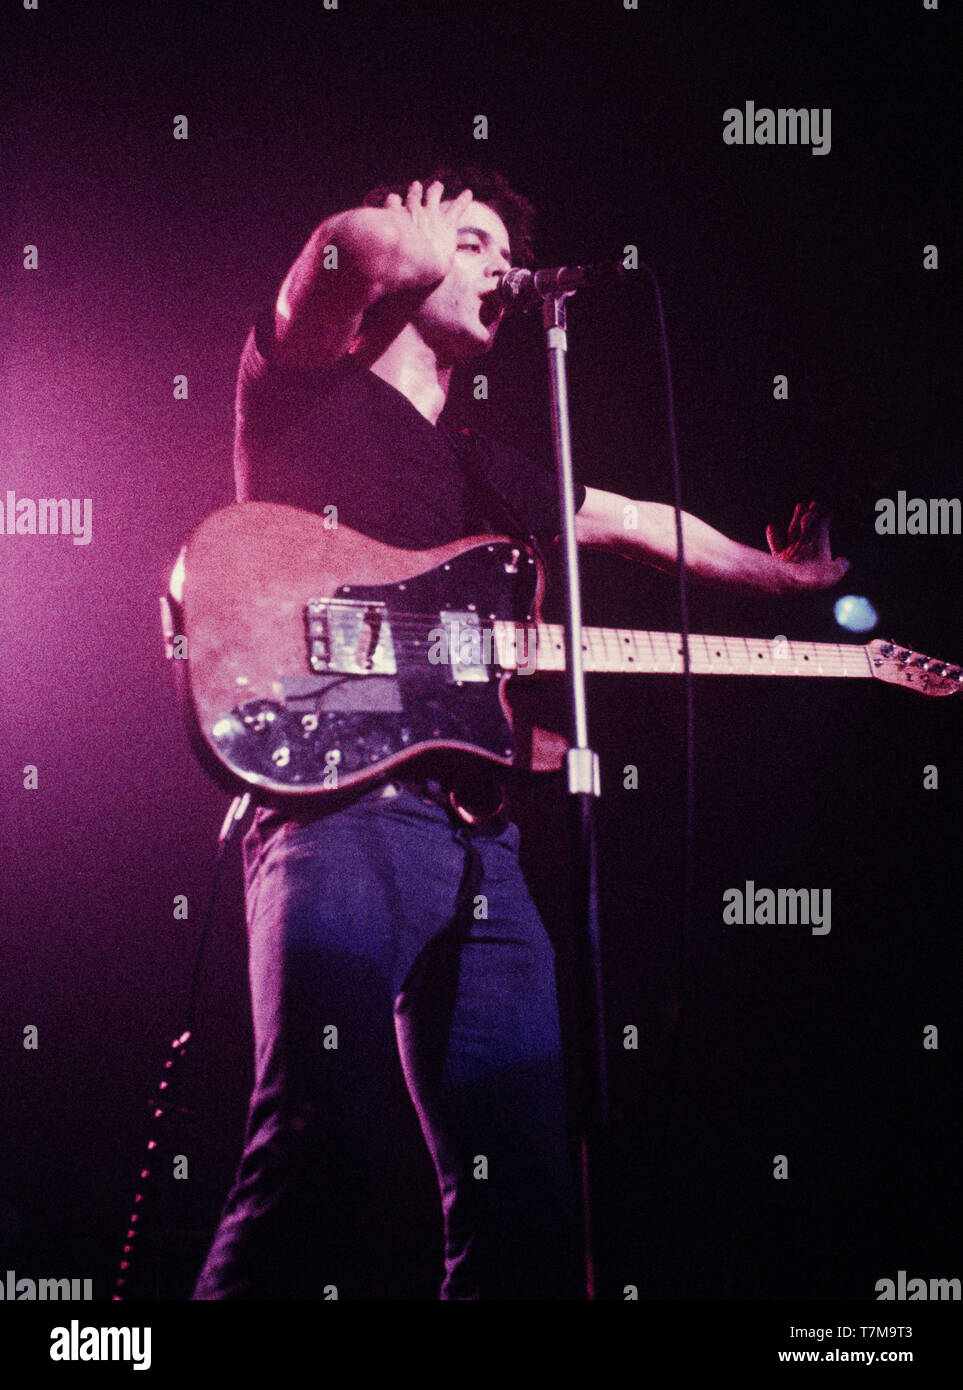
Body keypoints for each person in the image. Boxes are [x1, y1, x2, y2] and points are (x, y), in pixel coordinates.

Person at [190, 167, 848, 1301]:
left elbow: (638, 521)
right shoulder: (306, 387)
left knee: (531, 1202)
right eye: (477, 241)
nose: (498, 268)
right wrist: (411, 237)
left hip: (479, 845)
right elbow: (328, 261)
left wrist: (779, 577)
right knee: (317, 1138)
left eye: (503, 250)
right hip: (337, 812)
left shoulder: (489, 468)